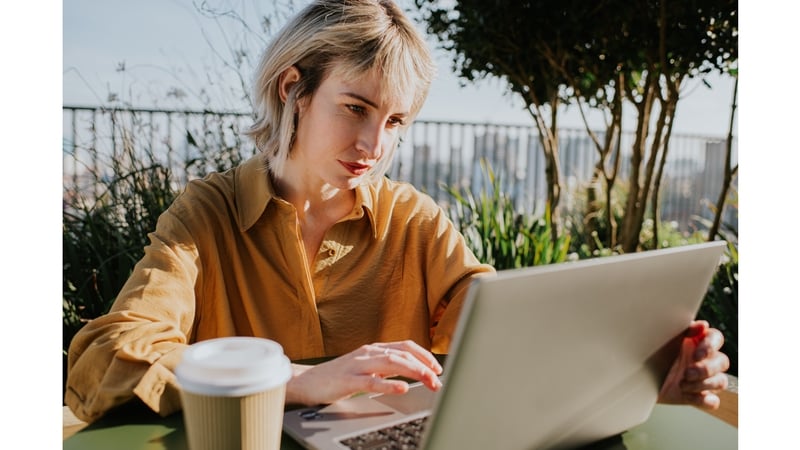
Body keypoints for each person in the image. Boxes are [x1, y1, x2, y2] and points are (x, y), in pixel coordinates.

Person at [65, 0, 730, 424]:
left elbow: (513, 339)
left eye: (394, 121)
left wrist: (639, 375)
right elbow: (105, 362)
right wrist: (293, 381)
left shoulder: (414, 219)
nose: (373, 145)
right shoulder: (206, 216)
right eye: (355, 108)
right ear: (292, 89)